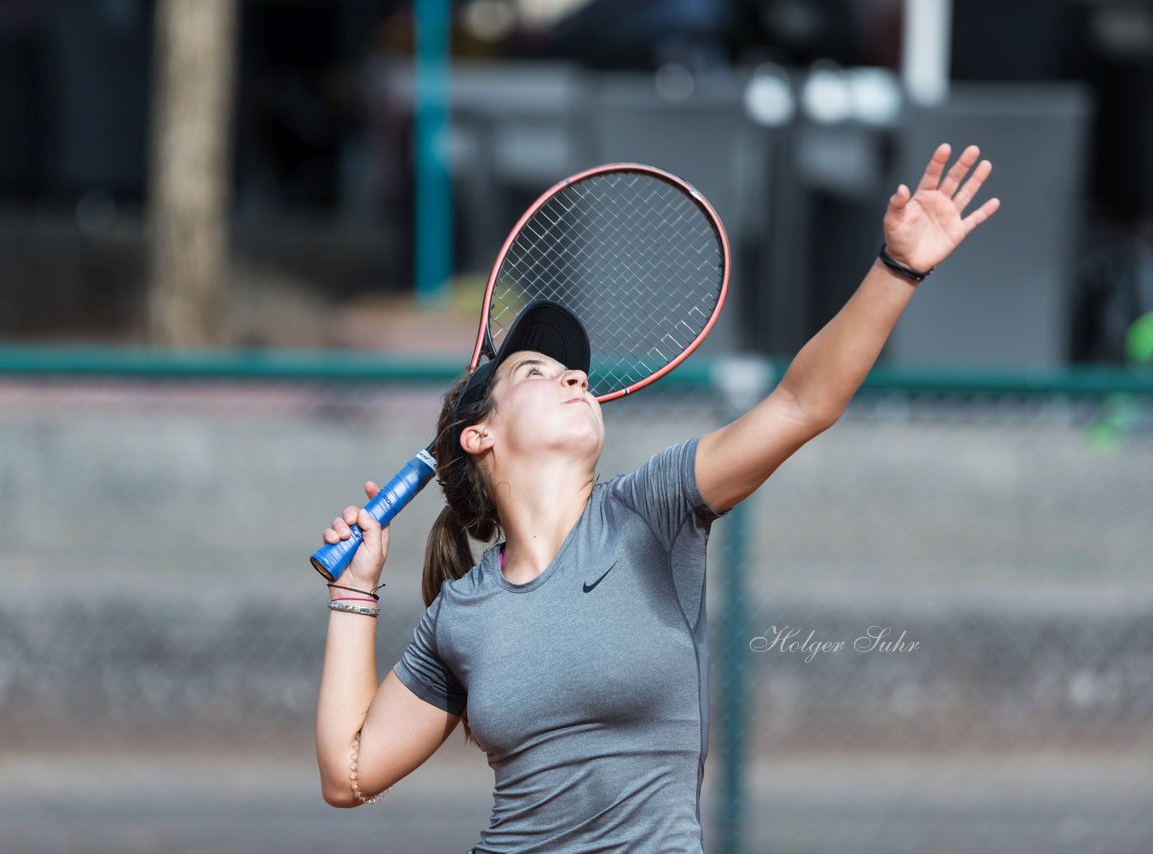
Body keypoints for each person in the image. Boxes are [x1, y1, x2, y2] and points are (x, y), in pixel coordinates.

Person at [315, 143, 999, 852]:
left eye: (577, 373)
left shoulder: (650, 512)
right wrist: (355, 589)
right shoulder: (460, 614)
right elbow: (350, 772)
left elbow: (803, 403)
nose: (577, 379)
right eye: (538, 371)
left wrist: (898, 268)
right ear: (479, 436)